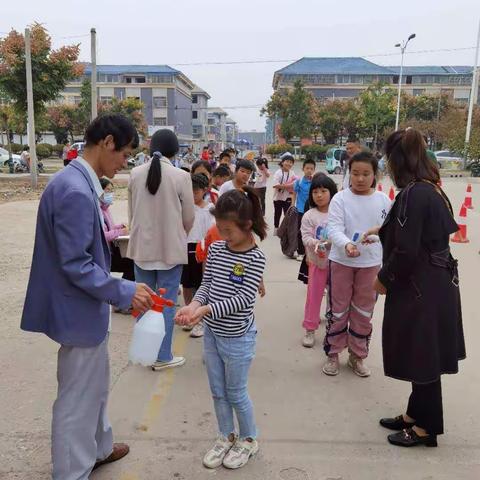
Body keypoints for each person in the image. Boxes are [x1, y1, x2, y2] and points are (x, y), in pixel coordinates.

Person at [21, 114, 154, 479]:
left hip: (85, 308)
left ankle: (98, 447)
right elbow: (76, 265)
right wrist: (125, 289)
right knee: (77, 399)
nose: (124, 162)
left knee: (94, 387)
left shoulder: (77, 182)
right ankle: (71, 471)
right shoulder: (76, 191)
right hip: (76, 310)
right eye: (124, 154)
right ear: (108, 142)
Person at [373, 128, 465, 448]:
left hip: (420, 287)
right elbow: (422, 236)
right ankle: (415, 414)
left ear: (400, 160)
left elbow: (408, 252)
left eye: (388, 159)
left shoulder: (414, 192)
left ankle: (428, 427)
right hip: (435, 283)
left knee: (424, 355)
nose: (387, 165)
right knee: (421, 351)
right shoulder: (432, 188)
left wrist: (384, 277)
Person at [175, 188, 267, 470]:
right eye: (220, 229)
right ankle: (226, 435)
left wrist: (206, 310)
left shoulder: (255, 259)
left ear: (247, 226)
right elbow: (207, 285)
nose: (222, 236)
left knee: (236, 391)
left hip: (238, 337)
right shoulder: (215, 249)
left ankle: (249, 439)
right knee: (217, 390)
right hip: (213, 334)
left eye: (229, 231)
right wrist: (195, 306)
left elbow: (243, 300)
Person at [127, 129, 195, 371]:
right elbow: (189, 217)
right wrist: (178, 234)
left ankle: (145, 353)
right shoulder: (180, 176)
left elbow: (132, 214)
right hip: (170, 251)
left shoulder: (135, 174)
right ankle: (163, 356)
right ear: (176, 151)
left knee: (144, 303)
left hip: (141, 251)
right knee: (165, 303)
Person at [322, 151, 391, 377]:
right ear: (349, 174)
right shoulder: (340, 199)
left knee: (363, 310)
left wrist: (377, 238)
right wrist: (346, 245)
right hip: (341, 261)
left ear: (375, 175)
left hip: (370, 264)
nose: (360, 178)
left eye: (366, 174)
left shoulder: (383, 201)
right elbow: (333, 228)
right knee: (338, 309)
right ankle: (333, 353)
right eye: (355, 173)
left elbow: (390, 232)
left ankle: (357, 355)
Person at [300, 174, 338, 348]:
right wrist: (317, 244)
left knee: (335, 297)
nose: (319, 195)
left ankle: (333, 327)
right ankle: (310, 328)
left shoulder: (338, 213)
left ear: (332, 192)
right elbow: (305, 237)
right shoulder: (309, 215)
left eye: (324, 191)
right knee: (313, 297)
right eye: (315, 191)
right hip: (317, 263)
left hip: (337, 263)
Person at [181, 174, 215, 338]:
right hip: (185, 248)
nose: (192, 195)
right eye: (189, 191)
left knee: (202, 284)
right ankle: (188, 314)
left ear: (204, 190)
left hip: (202, 250)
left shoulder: (210, 210)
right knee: (186, 285)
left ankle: (200, 319)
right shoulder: (184, 208)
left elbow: (211, 234)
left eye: (195, 191)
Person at [99, 178, 135, 314]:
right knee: (130, 265)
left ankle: (121, 301)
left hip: (111, 251)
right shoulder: (98, 211)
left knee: (131, 263)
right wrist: (120, 232)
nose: (110, 193)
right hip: (104, 254)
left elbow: (109, 228)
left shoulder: (105, 210)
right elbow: (103, 235)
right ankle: (122, 302)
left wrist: (119, 226)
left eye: (111, 190)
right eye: (107, 190)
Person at [292, 159, 316, 260]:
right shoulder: (299, 181)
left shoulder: (315, 181)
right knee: (300, 231)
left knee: (312, 232)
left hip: (313, 211)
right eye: (307, 168)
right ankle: (301, 252)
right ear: (303, 169)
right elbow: (294, 193)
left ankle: (311, 252)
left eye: (311, 168)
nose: (309, 170)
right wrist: (293, 205)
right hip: (301, 210)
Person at [272, 153, 296, 236]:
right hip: (278, 197)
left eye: (291, 162)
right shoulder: (278, 173)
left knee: (287, 214)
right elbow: (275, 185)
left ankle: (285, 230)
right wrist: (288, 186)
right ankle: (276, 228)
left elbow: (294, 185)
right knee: (277, 213)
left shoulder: (292, 173)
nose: (289, 164)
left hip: (288, 197)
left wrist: (287, 187)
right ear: (282, 162)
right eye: (287, 161)